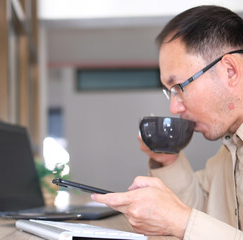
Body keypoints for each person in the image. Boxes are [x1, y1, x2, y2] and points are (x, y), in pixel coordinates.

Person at [91, 5, 243, 240]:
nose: (174, 107)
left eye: (179, 87)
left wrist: (181, 222)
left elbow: (189, 221)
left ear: (230, 71)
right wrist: (168, 160)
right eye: (170, 92)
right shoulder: (228, 153)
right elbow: (202, 211)